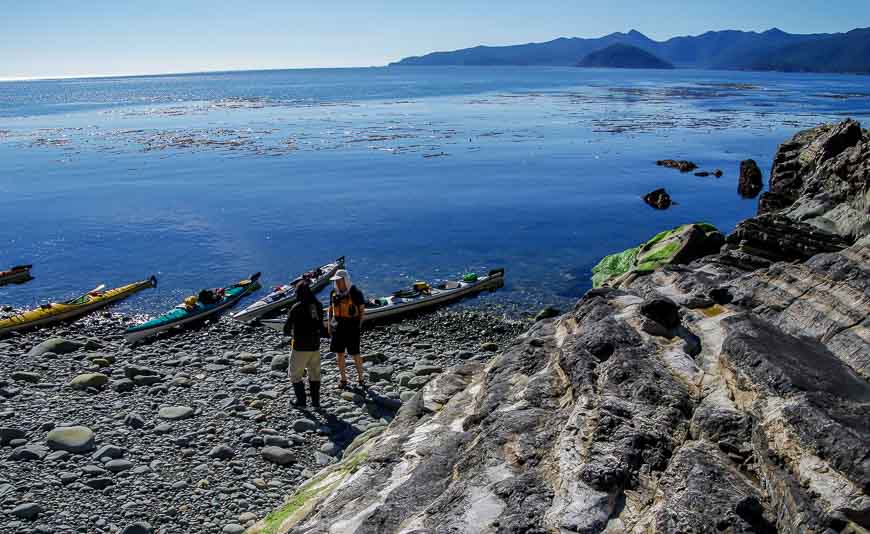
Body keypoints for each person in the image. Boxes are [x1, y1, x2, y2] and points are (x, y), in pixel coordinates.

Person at [283, 280, 324, 408]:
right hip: (315, 345)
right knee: (314, 373)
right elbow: (320, 324)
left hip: (300, 346)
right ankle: (316, 402)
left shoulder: (297, 307)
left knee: (295, 374)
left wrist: (290, 333)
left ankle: (301, 402)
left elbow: (286, 328)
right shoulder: (318, 305)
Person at [327, 269, 365, 389]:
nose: (337, 283)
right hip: (337, 326)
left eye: (339, 281)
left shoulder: (355, 292)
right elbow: (330, 309)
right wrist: (329, 324)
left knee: (355, 353)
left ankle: (361, 378)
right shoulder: (334, 292)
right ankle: (343, 379)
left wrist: (358, 325)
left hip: (352, 326)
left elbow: (362, 310)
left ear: (345, 280)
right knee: (340, 353)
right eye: (336, 281)